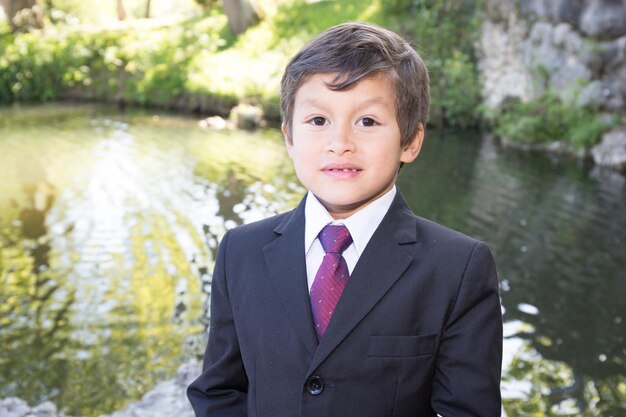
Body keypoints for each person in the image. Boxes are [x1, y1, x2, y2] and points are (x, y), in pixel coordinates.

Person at [187, 21, 502, 417]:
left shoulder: (457, 268)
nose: (340, 144)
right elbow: (219, 392)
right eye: (318, 121)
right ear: (289, 137)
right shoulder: (241, 251)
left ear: (410, 141)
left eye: (367, 121)